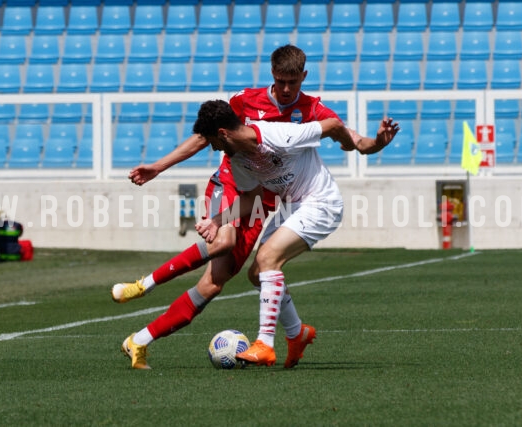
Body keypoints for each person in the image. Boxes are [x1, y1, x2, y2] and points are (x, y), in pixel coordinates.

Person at [114, 45, 389, 370]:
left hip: (267, 195)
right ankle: (144, 285)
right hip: (234, 184)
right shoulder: (243, 104)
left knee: (222, 282)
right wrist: (160, 167)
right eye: (280, 81)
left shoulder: (306, 113)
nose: (286, 90)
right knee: (226, 243)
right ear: (272, 76)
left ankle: (139, 340)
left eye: (293, 82)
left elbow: (349, 139)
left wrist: (376, 142)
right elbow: (206, 137)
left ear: (304, 77)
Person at [193, 100, 399, 365]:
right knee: (257, 274)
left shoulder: (281, 135)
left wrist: (368, 143)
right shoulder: (238, 159)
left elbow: (334, 124)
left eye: (212, 141)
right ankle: (296, 333)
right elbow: (251, 199)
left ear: (222, 133)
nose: (213, 148)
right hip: (294, 206)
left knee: (267, 258)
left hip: (321, 203)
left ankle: (265, 343)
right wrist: (216, 221)